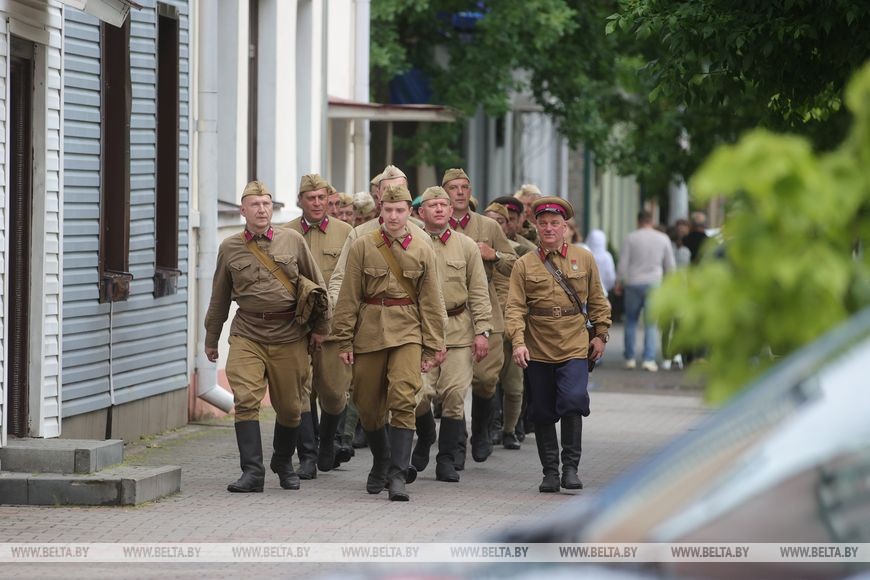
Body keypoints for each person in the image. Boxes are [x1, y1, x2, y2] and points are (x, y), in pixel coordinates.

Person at [204, 180, 330, 493]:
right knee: (246, 399)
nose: (262, 210)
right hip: (248, 333)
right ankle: (252, 472)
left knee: (289, 407)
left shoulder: (292, 241)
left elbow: (318, 286)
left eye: (266, 204)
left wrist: (321, 329)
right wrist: (211, 338)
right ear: (243, 210)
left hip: (289, 334)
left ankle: (284, 462)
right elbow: (219, 297)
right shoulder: (229, 247)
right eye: (255, 205)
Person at [332, 184, 446, 502]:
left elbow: (432, 301)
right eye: (388, 210)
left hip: (408, 331)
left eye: (400, 210)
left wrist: (433, 344)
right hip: (369, 331)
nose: (394, 216)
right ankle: (381, 460)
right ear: (380, 210)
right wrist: (343, 340)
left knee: (403, 398)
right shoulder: (363, 246)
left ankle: (398, 474)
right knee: (367, 405)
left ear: (409, 211)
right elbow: (348, 297)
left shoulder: (423, 248)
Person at [505, 196, 611, 493]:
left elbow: (598, 301)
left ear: (566, 227)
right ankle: (550, 472)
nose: (549, 228)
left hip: (574, 344)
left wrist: (601, 335)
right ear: (536, 226)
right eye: (543, 223)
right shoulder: (524, 264)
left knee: (573, 400)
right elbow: (514, 308)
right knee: (541, 410)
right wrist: (517, 342)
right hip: (537, 346)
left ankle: (571, 469)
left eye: (555, 223)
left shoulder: (584, 258)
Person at [410, 186, 492, 483]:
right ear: (421, 212)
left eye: (444, 205)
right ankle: (425, 433)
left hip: (458, 329)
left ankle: (446, 459)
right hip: (420, 331)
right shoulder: (410, 243)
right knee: (417, 395)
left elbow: (479, 292)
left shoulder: (466, 245)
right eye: (433, 205)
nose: (440, 210)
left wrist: (482, 331)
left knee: (454, 396)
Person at [443, 168, 517, 466]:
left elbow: (516, 266)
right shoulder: (435, 226)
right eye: (453, 188)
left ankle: (482, 430)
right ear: (444, 193)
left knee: (486, 379)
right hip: (450, 313)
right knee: (454, 383)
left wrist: (494, 255)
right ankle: (457, 440)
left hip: (487, 313)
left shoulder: (488, 226)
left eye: (464, 187)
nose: (460, 192)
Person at [284, 174, 354, 479]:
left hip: (333, 328)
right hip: (297, 326)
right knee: (301, 391)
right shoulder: (284, 234)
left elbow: (351, 281)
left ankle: (328, 441)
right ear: (300, 200)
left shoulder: (346, 232)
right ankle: (308, 456)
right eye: (310, 198)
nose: (316, 203)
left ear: (329, 201)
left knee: (335, 393)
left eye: (321, 198)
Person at [614, 210, 676, 372]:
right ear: (652, 220)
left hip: (633, 282)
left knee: (631, 321)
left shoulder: (631, 238)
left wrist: (619, 281)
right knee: (651, 324)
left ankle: (630, 358)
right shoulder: (663, 238)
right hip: (654, 283)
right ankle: (649, 359)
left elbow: (623, 263)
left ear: (638, 221)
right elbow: (670, 266)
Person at [585, 229, 616, 295]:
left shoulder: (585, 254)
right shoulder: (607, 256)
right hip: (603, 292)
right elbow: (611, 277)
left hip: (586, 291)